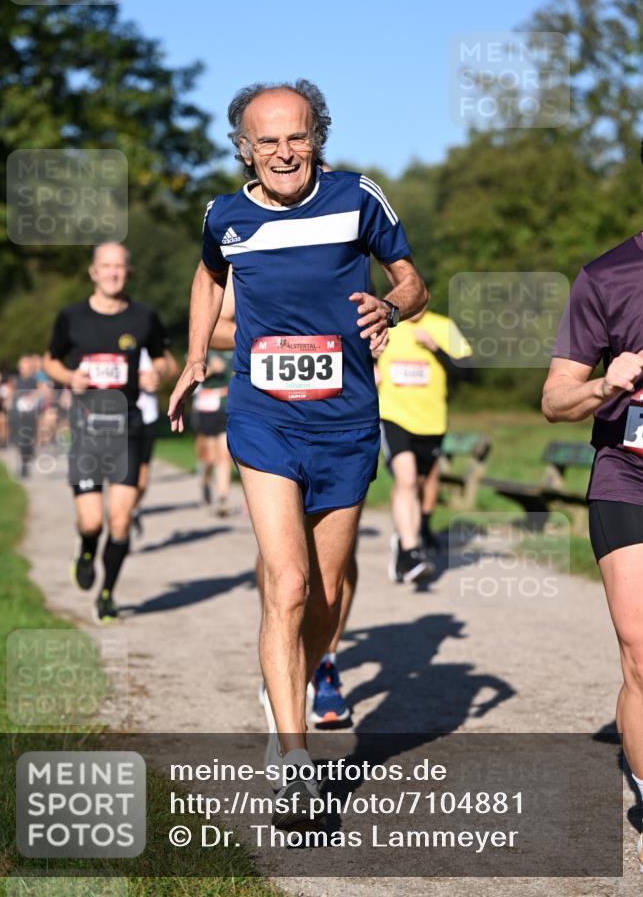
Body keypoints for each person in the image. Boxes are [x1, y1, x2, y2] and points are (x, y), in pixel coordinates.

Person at [169, 80, 427, 819]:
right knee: (285, 583)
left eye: (298, 135)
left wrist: (391, 305)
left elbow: (412, 281)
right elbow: (207, 275)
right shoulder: (225, 215)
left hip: (345, 417)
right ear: (244, 148)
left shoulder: (356, 198)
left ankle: (297, 670)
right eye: (267, 140)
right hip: (262, 416)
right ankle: (291, 756)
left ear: (318, 135)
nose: (284, 151)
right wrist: (194, 357)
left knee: (326, 589)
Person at [211, 269, 366, 727]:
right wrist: (287, 339)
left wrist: (374, 329)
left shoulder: (349, 232)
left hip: (341, 417)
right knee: (288, 575)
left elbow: (375, 313)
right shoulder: (247, 246)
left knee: (333, 574)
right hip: (271, 421)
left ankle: (323, 661)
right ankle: (287, 681)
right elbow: (215, 328)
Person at [542, 230, 643, 872]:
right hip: (628, 478)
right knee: (641, 647)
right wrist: (608, 384)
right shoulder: (607, 277)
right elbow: (554, 401)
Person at [44, 243, 173, 623]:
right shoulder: (71, 317)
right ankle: (85, 550)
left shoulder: (144, 317)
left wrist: (158, 374)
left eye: (119, 266)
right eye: (106, 266)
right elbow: (50, 360)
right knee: (92, 522)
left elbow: (167, 359)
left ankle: (107, 594)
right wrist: (70, 377)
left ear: (127, 272)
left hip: (128, 427)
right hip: (86, 427)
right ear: (93, 272)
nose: (113, 272)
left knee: (119, 521)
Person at [377, 304, 472, 582]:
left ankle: (403, 542)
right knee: (406, 479)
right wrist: (371, 365)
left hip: (432, 423)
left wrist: (435, 348)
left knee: (416, 485)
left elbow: (468, 371)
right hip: (393, 416)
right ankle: (411, 551)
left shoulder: (444, 326)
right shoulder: (385, 324)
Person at [132, 346, 179, 538]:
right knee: (120, 474)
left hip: (147, 417)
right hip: (120, 416)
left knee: (142, 478)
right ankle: (121, 516)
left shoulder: (151, 339)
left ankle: (132, 510)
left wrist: (158, 377)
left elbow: (173, 368)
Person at [189, 347, 233, 516]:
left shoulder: (234, 344)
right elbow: (191, 376)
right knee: (209, 457)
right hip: (205, 407)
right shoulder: (201, 346)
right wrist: (212, 369)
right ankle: (205, 481)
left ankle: (223, 500)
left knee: (224, 455)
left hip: (224, 405)